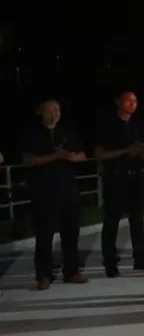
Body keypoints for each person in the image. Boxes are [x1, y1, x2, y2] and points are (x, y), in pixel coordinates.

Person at [20, 99, 90, 290]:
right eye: (50, 110)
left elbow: (83, 155)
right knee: (44, 236)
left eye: (57, 110)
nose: (55, 114)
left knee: (71, 233)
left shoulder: (67, 132)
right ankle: (43, 275)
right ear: (39, 112)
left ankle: (72, 271)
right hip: (43, 192)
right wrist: (54, 156)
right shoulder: (32, 134)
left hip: (68, 190)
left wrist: (71, 156)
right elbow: (27, 160)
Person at [95, 91, 144, 277]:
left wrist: (143, 153)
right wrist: (125, 151)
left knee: (137, 220)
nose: (133, 103)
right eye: (128, 100)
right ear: (117, 101)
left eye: (135, 100)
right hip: (115, 178)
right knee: (112, 221)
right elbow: (99, 154)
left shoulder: (138, 125)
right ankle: (110, 262)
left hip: (136, 178)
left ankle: (141, 258)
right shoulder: (107, 125)